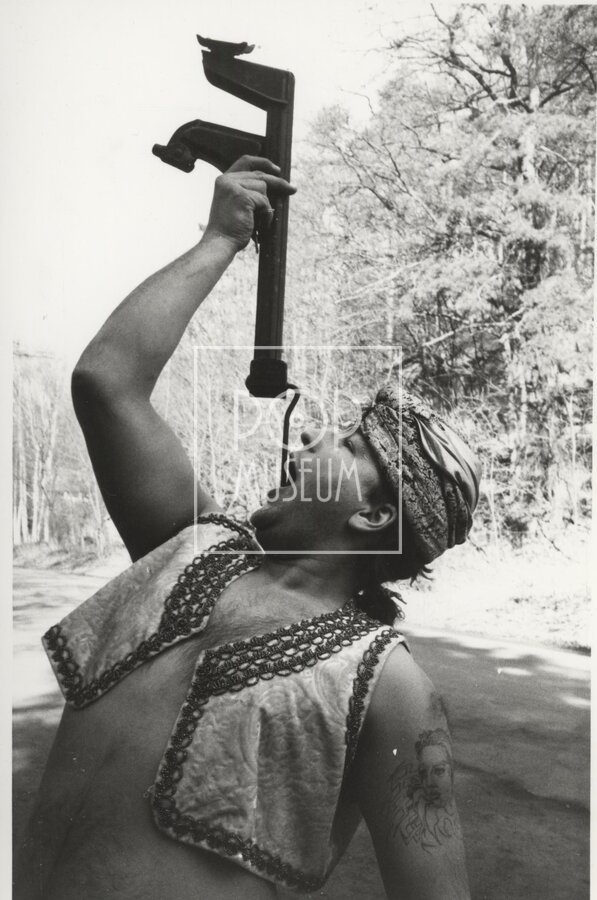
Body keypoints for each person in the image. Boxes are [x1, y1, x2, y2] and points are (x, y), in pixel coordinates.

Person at [15, 157, 479, 900]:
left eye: (347, 444)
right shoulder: (188, 546)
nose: (310, 438)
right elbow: (106, 383)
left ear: (374, 514)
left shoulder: (388, 684)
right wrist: (219, 239)